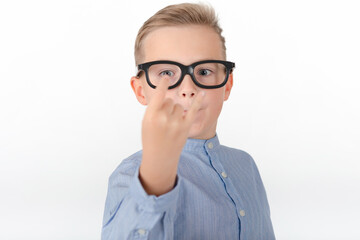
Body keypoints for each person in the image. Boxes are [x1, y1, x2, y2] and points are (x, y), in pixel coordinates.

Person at [102, 3, 275, 239]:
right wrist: (155, 178)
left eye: (203, 72)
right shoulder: (131, 176)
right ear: (141, 91)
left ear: (227, 84)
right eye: (166, 73)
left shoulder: (245, 166)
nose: (188, 89)